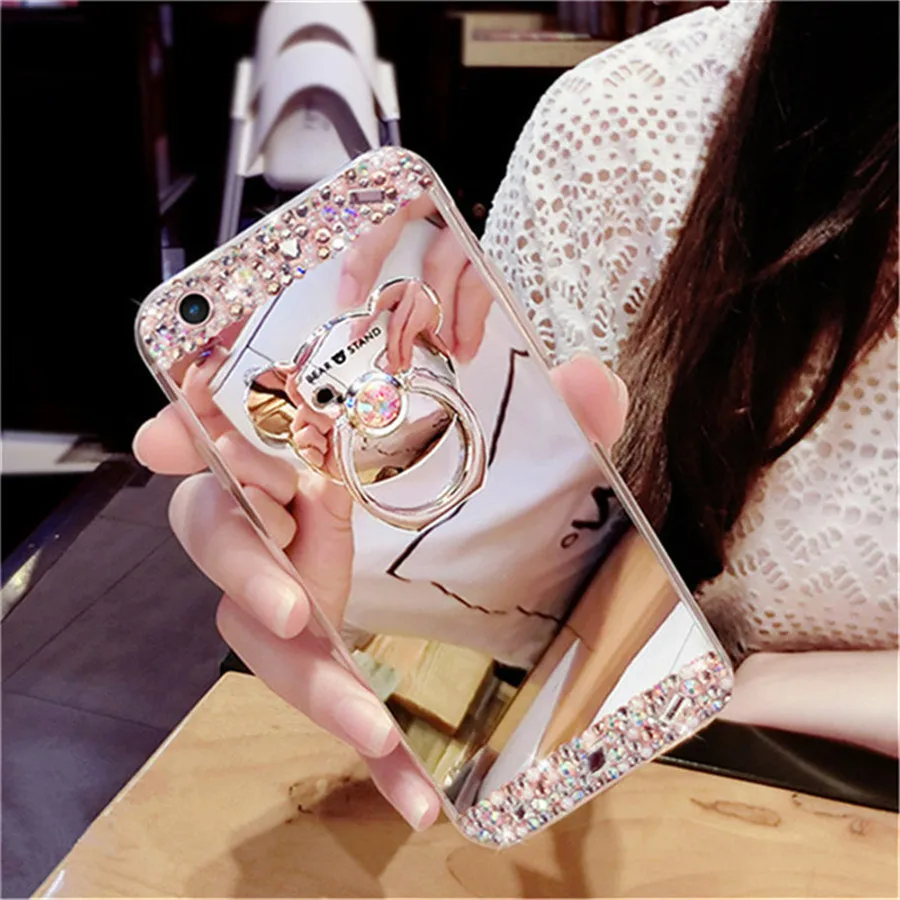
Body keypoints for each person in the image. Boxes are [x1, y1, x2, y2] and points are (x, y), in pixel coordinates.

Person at [134, 0, 898, 832]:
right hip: (638, 785)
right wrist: (358, 588)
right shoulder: (621, 138)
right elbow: (527, 543)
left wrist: (769, 688)